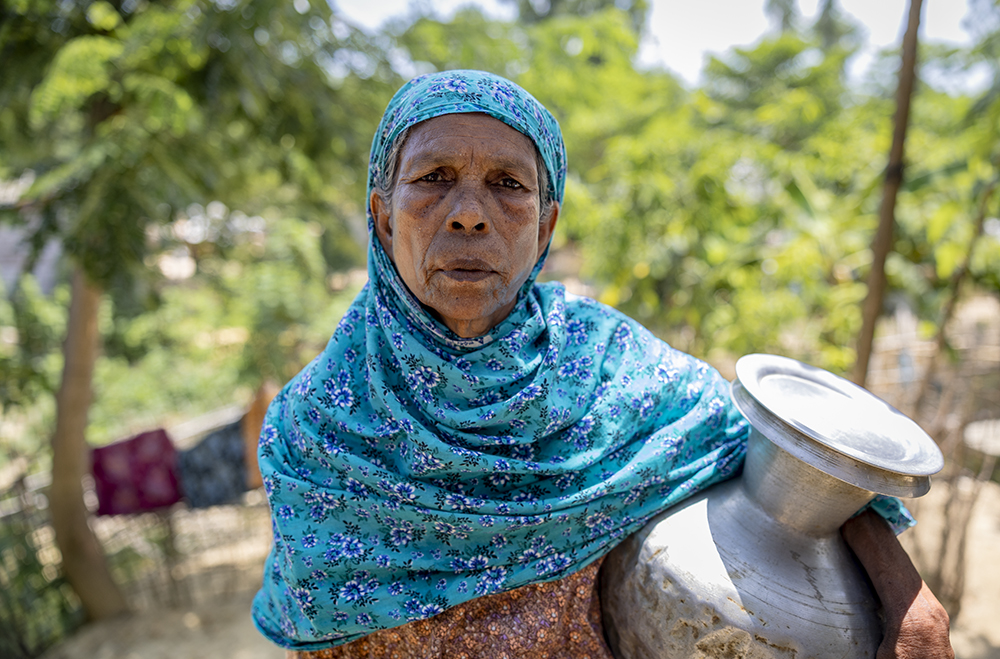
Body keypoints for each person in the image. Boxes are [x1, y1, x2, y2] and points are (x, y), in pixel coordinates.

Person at [252, 70, 952, 659]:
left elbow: (784, 457)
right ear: (380, 215)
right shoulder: (313, 428)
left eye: (507, 184)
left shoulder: (609, 366)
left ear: (547, 226)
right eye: (434, 178)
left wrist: (909, 601)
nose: (469, 213)